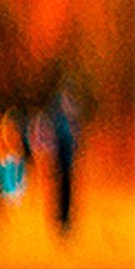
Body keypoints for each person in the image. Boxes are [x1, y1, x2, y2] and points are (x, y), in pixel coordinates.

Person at [47, 84, 80, 235]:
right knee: (59, 190)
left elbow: (76, 139)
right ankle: (60, 219)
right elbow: (55, 139)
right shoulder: (59, 119)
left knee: (68, 191)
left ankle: (66, 219)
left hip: (68, 161)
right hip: (60, 160)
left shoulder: (70, 118)